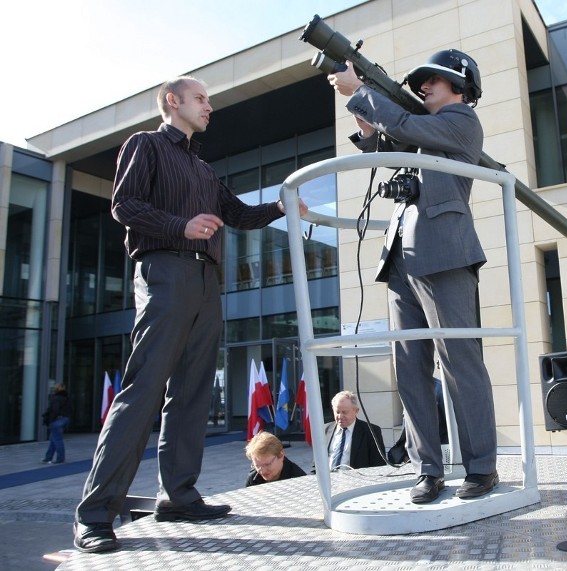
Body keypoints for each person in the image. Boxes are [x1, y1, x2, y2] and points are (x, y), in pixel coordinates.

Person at [73, 76, 308, 554]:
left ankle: (177, 496)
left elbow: (237, 215)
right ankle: (94, 514)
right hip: (165, 272)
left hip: (206, 282)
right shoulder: (146, 145)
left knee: (193, 393)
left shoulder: (203, 169)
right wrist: (181, 225)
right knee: (142, 392)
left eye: (209, 100)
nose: (209, 107)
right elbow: (124, 205)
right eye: (201, 98)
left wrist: (281, 207)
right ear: (172, 101)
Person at [327, 50, 499, 504]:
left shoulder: (461, 122)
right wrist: (367, 126)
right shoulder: (428, 130)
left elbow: (405, 127)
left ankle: (482, 467)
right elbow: (391, 147)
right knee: (410, 370)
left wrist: (362, 93)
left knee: (460, 364)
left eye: (433, 83)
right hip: (402, 254)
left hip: (444, 253)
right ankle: (428, 468)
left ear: (460, 88)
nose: (423, 88)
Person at [324, 390, 386, 470]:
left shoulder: (371, 432)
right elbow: (316, 463)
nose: (340, 416)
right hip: (328, 480)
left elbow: (378, 465)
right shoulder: (325, 430)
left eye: (344, 412)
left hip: (355, 480)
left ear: (356, 411)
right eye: (337, 412)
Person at [42, 383, 72, 464]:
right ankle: (48, 457)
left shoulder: (56, 398)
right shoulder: (66, 398)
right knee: (53, 439)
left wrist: (50, 420)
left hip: (57, 420)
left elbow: (55, 410)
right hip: (65, 418)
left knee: (57, 439)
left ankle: (60, 458)